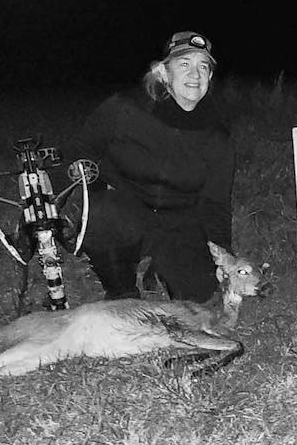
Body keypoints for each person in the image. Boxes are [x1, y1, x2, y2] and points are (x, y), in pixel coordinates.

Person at [71, 31, 234, 302]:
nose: (195, 74)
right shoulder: (123, 109)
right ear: (162, 72)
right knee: (104, 212)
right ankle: (121, 289)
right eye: (184, 64)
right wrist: (94, 187)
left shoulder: (217, 136)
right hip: (127, 208)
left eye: (203, 67)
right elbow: (81, 149)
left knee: (199, 296)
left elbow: (216, 202)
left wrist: (222, 251)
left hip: (180, 221)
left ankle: (162, 266)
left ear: (210, 78)